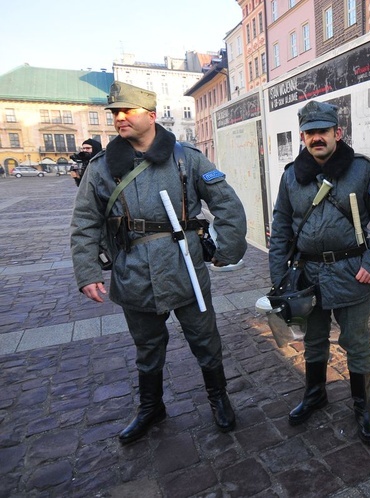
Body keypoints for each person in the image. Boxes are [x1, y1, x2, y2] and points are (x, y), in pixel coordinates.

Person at [70, 81, 247, 444]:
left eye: (127, 111)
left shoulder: (188, 158)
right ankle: (151, 407)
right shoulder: (101, 167)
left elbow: (226, 204)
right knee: (147, 347)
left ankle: (219, 397)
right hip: (132, 272)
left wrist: (228, 250)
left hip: (184, 269)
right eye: (115, 112)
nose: (119, 118)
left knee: (205, 339)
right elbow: (85, 220)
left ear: (151, 116)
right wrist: (87, 271)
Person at [268, 100, 370, 445]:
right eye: (309, 133)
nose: (316, 138)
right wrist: (279, 277)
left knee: (356, 341)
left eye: (322, 131)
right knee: (313, 340)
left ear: (337, 133)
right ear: (303, 136)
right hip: (308, 274)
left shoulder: (363, 171)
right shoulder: (291, 176)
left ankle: (361, 404)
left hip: (352, 272)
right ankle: (315, 394)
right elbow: (280, 227)